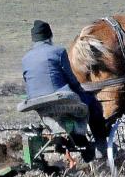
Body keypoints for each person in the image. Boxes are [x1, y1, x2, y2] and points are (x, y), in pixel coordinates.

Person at [21, 20, 108, 158]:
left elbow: (28, 79)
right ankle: (101, 145)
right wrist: (82, 91)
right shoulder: (58, 51)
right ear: (50, 36)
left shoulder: (25, 58)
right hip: (60, 97)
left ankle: (69, 136)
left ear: (34, 39)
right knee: (93, 103)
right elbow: (71, 78)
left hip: (39, 104)